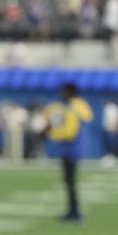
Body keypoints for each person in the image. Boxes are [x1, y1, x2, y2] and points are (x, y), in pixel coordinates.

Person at [44, 82, 94, 222]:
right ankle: (73, 210)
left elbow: (68, 132)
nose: (61, 94)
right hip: (72, 148)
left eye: (63, 91)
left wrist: (52, 133)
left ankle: (74, 211)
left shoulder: (71, 108)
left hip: (71, 149)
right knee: (69, 181)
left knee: (70, 181)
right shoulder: (78, 106)